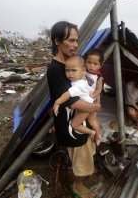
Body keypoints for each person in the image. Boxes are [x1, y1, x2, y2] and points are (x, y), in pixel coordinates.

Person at [47, 21, 99, 198]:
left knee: (85, 154)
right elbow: (74, 103)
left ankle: (79, 178)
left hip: (79, 120)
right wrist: (96, 106)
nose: (75, 45)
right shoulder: (55, 69)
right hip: (70, 126)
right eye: (70, 40)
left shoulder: (69, 64)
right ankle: (77, 185)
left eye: (76, 41)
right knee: (81, 160)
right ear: (56, 41)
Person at [53, 54, 102, 146]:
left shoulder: (77, 85)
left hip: (86, 107)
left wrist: (57, 102)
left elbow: (67, 94)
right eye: (67, 70)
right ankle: (98, 135)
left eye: (73, 70)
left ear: (83, 70)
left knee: (74, 125)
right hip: (90, 103)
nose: (70, 74)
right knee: (93, 120)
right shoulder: (84, 78)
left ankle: (91, 133)